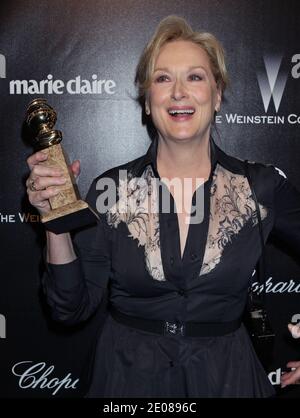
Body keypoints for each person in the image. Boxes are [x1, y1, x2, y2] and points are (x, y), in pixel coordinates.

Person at [26, 15, 300, 397]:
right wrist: (55, 221)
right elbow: (68, 308)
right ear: (147, 101)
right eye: (162, 78)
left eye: (195, 77)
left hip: (228, 379)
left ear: (217, 95)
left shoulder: (261, 187)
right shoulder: (110, 188)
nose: (178, 92)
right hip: (125, 382)